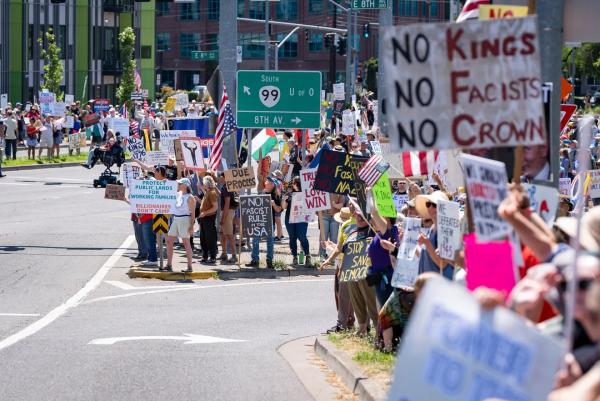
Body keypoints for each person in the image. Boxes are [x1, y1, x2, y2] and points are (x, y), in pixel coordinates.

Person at [366, 187, 399, 306]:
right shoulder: (381, 233)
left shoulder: (388, 230)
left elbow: (373, 212)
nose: (378, 215)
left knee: (387, 313)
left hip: (386, 279)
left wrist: (370, 194)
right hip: (379, 278)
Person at [415, 190, 455, 279]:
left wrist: (427, 243)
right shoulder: (432, 227)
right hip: (429, 284)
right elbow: (426, 255)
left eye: (434, 205)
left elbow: (443, 264)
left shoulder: (446, 229)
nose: (430, 208)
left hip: (440, 285)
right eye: (428, 204)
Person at [246, 177, 278, 269]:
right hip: (258, 222)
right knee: (255, 241)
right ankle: (255, 260)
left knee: (270, 242)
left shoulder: (275, 195)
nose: (266, 181)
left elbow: (279, 209)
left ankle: (269, 260)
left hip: (269, 222)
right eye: (267, 180)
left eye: (268, 181)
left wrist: (274, 204)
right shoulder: (261, 193)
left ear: (272, 185)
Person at [166, 178, 196, 272]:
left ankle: (189, 266)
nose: (178, 185)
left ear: (185, 185)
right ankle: (169, 264)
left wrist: (191, 226)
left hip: (184, 219)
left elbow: (193, 214)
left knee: (186, 243)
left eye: (180, 184)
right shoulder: (179, 194)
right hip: (176, 218)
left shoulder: (190, 197)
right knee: (169, 240)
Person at [282, 176, 311, 266]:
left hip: (301, 219)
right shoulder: (290, 194)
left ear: (296, 184)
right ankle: (294, 257)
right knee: (292, 237)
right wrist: (284, 199)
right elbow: (283, 207)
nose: (292, 184)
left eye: (294, 183)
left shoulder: (306, 194)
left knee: (302, 236)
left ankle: (307, 256)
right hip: (289, 219)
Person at [218, 173, 238, 263]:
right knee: (222, 234)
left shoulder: (226, 187)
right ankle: (224, 253)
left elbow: (227, 203)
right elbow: (224, 197)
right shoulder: (228, 186)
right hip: (229, 211)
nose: (219, 178)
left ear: (225, 177)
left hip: (227, 212)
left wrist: (223, 218)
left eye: (221, 176)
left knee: (229, 235)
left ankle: (234, 255)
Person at [199, 175, 219, 264]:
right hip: (204, 218)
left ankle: (212, 257)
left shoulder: (212, 193)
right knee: (203, 238)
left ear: (207, 183)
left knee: (210, 238)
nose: (203, 184)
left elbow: (215, 207)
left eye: (204, 183)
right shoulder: (207, 192)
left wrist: (205, 213)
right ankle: (205, 256)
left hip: (209, 218)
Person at [319, 192, 345, 260]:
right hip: (324, 216)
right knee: (323, 237)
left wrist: (333, 205)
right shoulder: (322, 189)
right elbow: (317, 202)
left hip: (335, 217)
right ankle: (322, 255)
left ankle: (332, 257)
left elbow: (342, 205)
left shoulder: (338, 190)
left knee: (334, 238)